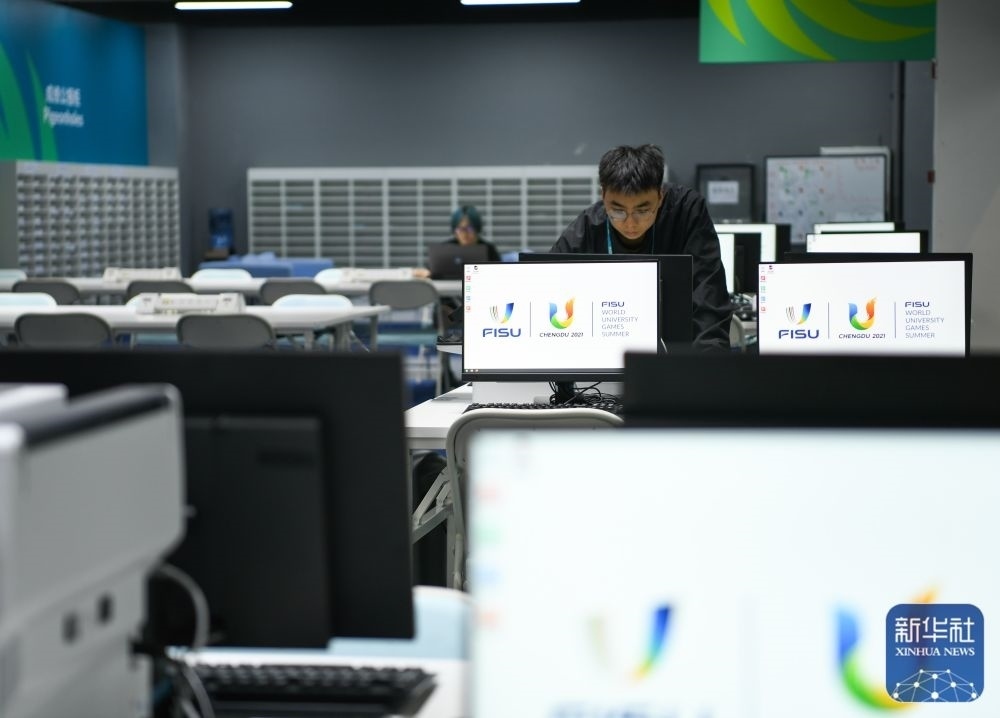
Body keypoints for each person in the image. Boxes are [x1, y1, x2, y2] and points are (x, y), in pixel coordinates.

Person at [550, 144, 732, 352]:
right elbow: (547, 286)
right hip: (606, 345)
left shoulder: (686, 212)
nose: (630, 223)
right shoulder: (587, 229)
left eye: (643, 211)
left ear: (660, 196)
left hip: (678, 349)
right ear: (603, 196)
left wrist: (708, 364)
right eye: (617, 211)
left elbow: (709, 295)